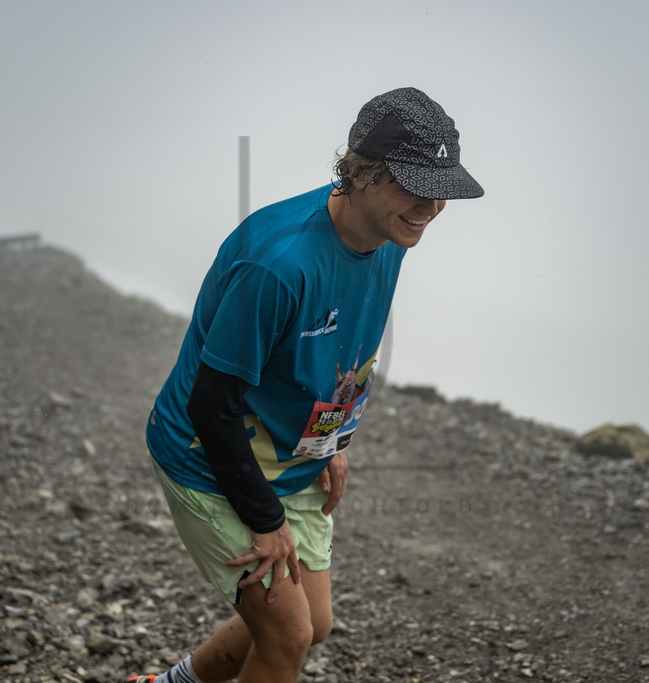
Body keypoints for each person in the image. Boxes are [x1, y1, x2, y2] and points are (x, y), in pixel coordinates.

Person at [125, 87, 484, 683]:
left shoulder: (389, 235)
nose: (430, 207)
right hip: (209, 461)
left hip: (291, 455)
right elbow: (211, 406)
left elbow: (337, 350)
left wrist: (332, 442)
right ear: (362, 172)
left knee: (313, 624)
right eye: (415, 185)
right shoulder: (278, 265)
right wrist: (266, 520)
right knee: (287, 635)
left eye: (440, 188)